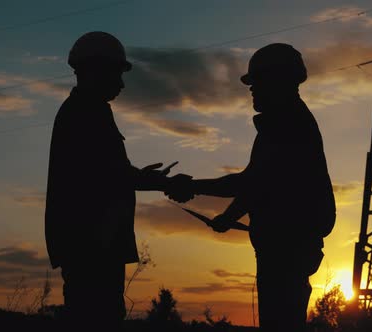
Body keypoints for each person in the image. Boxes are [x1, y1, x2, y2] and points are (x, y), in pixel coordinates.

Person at [170, 43, 336, 331]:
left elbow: (254, 183)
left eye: (257, 82)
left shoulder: (287, 124)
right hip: (285, 246)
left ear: (278, 80)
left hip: (285, 248)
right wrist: (229, 214)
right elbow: (260, 182)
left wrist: (198, 190)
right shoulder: (286, 122)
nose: (252, 90)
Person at [44, 31, 192, 331]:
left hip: (96, 245)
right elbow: (106, 175)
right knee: (96, 318)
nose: (121, 84)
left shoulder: (90, 111)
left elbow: (107, 172)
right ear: (95, 70)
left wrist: (146, 179)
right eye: (116, 74)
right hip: (91, 247)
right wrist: (158, 182)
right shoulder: (84, 113)